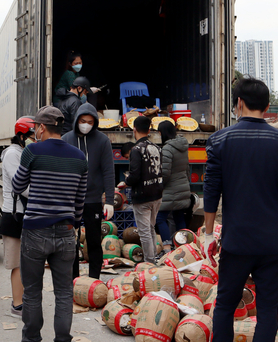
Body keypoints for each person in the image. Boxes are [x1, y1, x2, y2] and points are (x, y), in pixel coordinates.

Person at [201, 78, 278, 342]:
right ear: (268, 107)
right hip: (272, 243)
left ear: (239, 104)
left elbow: (211, 192)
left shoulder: (220, 141)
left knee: (226, 302)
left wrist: (208, 234)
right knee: (268, 310)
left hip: (236, 242)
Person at [9, 106, 88, 342]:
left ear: (42, 127)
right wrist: (73, 224)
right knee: (64, 292)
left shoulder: (32, 151)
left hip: (35, 230)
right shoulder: (79, 157)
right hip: (65, 231)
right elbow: (79, 201)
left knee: (32, 291)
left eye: (36, 128)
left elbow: (18, 186)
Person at [63, 103, 115, 279]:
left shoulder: (102, 141)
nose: (86, 125)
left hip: (92, 199)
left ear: (95, 123)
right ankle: (73, 280)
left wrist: (109, 200)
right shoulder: (66, 140)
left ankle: (94, 279)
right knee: (70, 242)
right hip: (70, 200)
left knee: (94, 241)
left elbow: (108, 171)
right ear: (77, 120)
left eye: (90, 122)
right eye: (83, 121)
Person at [0, 116, 35, 318]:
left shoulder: (24, 152)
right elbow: (22, 187)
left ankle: (24, 300)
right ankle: (17, 305)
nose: (34, 139)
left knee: (26, 262)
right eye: (31, 136)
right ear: (21, 136)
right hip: (14, 214)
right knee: (17, 263)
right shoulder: (13, 154)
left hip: (25, 212)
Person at [118, 116, 163, 263]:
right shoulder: (157, 148)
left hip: (142, 195)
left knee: (144, 232)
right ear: (149, 130)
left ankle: (149, 262)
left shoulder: (136, 150)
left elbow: (135, 175)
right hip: (157, 194)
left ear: (134, 130)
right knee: (151, 228)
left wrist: (126, 182)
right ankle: (153, 258)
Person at [154, 120, 191, 253]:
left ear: (162, 133)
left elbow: (165, 173)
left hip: (170, 190)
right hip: (182, 187)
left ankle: (167, 248)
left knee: (160, 218)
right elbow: (187, 168)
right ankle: (184, 247)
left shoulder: (167, 149)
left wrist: (159, 187)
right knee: (179, 217)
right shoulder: (183, 146)